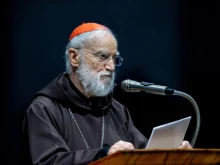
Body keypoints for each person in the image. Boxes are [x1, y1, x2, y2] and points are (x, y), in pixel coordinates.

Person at [21, 22, 192, 165]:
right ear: (74, 57)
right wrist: (103, 155)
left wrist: (172, 154)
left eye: (114, 58)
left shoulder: (116, 110)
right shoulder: (44, 109)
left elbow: (144, 154)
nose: (111, 66)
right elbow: (49, 161)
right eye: (103, 56)